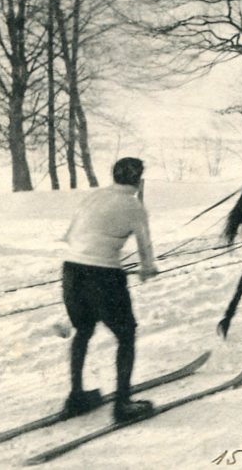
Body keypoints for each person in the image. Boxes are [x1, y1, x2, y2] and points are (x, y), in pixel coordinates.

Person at [61, 157, 158, 422]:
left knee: (83, 330)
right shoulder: (134, 205)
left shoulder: (95, 197)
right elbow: (145, 246)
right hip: (104, 277)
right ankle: (122, 405)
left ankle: (76, 397)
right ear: (138, 180)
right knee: (126, 335)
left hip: (71, 270)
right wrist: (148, 268)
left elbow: (70, 235)